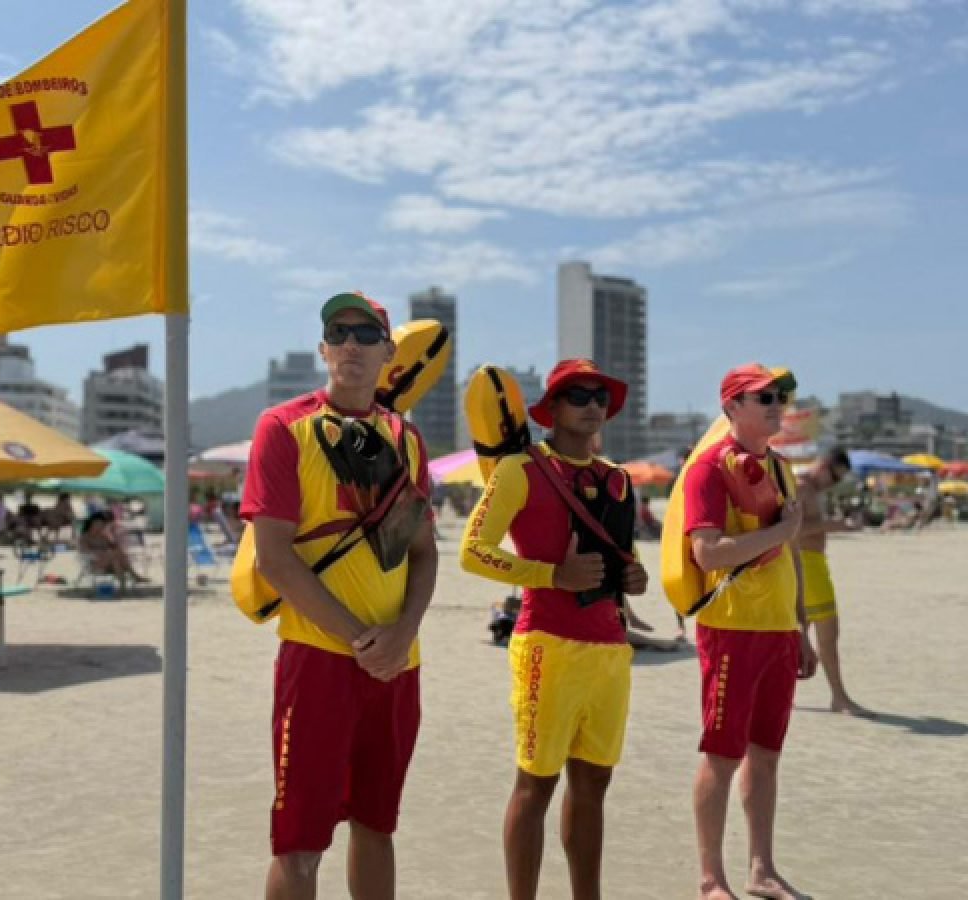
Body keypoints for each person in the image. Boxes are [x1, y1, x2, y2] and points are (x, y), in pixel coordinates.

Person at [240, 292, 438, 900]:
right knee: (300, 842)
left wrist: (400, 636)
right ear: (324, 349)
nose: (351, 344)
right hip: (319, 659)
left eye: (365, 334)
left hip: (397, 666)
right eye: (338, 332)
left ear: (388, 355)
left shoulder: (405, 440)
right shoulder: (284, 428)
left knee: (377, 826)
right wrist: (361, 639)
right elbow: (275, 557)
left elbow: (424, 553)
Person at [459, 358, 649, 900]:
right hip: (547, 642)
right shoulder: (521, 470)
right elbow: (474, 552)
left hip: (610, 647)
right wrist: (550, 575)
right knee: (536, 782)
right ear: (553, 408)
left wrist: (633, 577)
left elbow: (624, 557)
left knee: (594, 783)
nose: (593, 406)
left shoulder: (618, 479)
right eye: (579, 395)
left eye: (601, 397)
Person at [683, 364, 817, 900]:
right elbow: (707, 552)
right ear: (732, 406)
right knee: (721, 753)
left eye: (779, 396)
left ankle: (762, 869)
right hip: (731, 630)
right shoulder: (709, 469)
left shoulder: (782, 469)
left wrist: (801, 628)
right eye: (762, 396)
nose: (775, 403)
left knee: (767, 753)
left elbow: (794, 556)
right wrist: (781, 530)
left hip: (779, 630)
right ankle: (711, 878)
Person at [796, 447, 869, 717]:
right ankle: (839, 697)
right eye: (834, 477)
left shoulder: (812, 490)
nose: (833, 484)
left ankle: (782, 695)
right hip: (807, 565)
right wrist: (835, 525)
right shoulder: (801, 487)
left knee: (797, 634)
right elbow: (795, 529)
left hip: (810, 564)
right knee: (828, 635)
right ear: (823, 465)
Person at [78, 512, 149, 591]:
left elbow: (114, 546)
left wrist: (111, 542)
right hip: (94, 563)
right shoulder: (85, 537)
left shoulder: (103, 536)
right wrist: (102, 552)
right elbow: (85, 551)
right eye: (97, 524)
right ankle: (134, 576)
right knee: (114, 554)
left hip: (109, 562)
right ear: (91, 524)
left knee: (116, 559)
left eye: (101, 525)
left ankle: (123, 586)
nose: (99, 527)